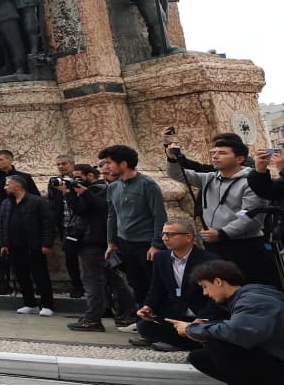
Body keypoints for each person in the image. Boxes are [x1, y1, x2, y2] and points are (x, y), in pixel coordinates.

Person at [174, 261, 284, 385]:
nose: (205, 293)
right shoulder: (251, 296)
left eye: (205, 287)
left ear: (218, 281)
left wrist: (192, 329)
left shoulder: (253, 301)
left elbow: (236, 333)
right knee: (200, 357)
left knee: (218, 342)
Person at [166, 131, 273, 285]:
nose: (215, 156)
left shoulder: (252, 181)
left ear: (240, 159)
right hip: (214, 244)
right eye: (213, 152)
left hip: (244, 245)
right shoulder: (210, 177)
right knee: (222, 286)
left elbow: (251, 216)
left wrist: (222, 233)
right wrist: (171, 158)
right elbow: (178, 174)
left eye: (222, 153)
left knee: (248, 285)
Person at [61, 164, 137, 333]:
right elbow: (81, 209)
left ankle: (93, 318)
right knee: (114, 278)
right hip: (102, 240)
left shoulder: (101, 189)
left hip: (95, 241)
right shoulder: (103, 188)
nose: (106, 175)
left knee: (92, 279)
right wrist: (70, 193)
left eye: (107, 172)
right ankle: (129, 313)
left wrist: (77, 193)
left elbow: (92, 208)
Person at [130, 218, 217, 350]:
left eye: (170, 234)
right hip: (174, 315)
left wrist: (203, 318)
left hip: (199, 316)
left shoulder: (209, 260)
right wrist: (149, 306)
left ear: (188, 237)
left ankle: (183, 341)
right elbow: (156, 287)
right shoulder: (161, 258)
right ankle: (187, 341)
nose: (165, 238)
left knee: (205, 329)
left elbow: (217, 296)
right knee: (143, 325)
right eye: (163, 234)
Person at [99, 144, 167, 307]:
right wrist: (111, 242)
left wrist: (156, 244)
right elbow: (112, 215)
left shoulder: (147, 184)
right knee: (136, 284)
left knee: (153, 284)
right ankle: (142, 319)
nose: (106, 167)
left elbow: (159, 215)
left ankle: (158, 319)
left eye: (109, 163)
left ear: (123, 164)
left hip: (146, 244)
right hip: (125, 243)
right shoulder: (113, 186)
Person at [0, 174, 55, 315]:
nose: (5, 187)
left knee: (40, 275)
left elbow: (48, 224)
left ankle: (47, 305)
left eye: (7, 184)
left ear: (17, 185)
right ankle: (30, 303)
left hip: (34, 246)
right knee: (21, 275)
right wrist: (3, 243)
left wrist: (47, 243)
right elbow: (2, 224)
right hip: (14, 246)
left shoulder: (37, 202)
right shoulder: (6, 203)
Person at [0, 149, 38, 295]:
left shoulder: (23, 177)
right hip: (1, 220)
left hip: (22, 220)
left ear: (10, 160)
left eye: (0, 159)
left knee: (27, 252)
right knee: (2, 252)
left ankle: (30, 283)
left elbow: (35, 196)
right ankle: (4, 282)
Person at [47, 154, 84, 298]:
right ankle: (77, 286)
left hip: (82, 223)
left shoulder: (80, 180)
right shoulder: (55, 181)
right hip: (65, 225)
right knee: (70, 257)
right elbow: (52, 203)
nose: (61, 167)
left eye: (64, 164)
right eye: (59, 164)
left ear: (72, 165)